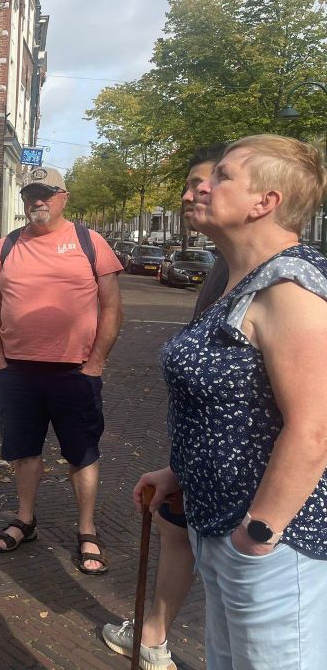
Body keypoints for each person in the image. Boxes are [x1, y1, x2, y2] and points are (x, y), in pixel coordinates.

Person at [138, 134, 327, 670]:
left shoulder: (290, 289)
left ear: (264, 202)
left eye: (222, 176)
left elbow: (314, 429)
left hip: (271, 543)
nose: (203, 185)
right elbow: (236, 408)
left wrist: (258, 535)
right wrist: (181, 471)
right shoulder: (236, 281)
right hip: (218, 527)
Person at [102, 142, 228, 668]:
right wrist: (181, 463)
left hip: (243, 485)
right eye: (188, 184)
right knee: (176, 530)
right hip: (198, 452)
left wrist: (265, 522)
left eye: (209, 182)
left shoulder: (279, 278)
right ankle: (151, 636)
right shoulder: (227, 265)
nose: (191, 193)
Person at [0, 166, 123, 574]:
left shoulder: (89, 241)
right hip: (18, 372)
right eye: (31, 195)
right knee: (23, 451)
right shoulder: (6, 246)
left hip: (74, 371)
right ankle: (25, 520)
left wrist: (96, 363)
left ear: (64, 197)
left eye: (46, 194)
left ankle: (87, 530)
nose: (37, 202)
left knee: (81, 453)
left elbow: (112, 307)